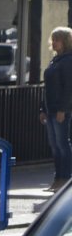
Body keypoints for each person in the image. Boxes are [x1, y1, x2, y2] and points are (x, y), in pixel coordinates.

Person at [40, 26, 72, 192]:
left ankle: (65, 179)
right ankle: (57, 178)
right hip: (50, 108)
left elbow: (69, 88)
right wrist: (42, 109)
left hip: (60, 110)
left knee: (62, 144)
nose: (54, 42)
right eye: (53, 39)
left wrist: (63, 109)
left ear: (65, 41)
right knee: (54, 145)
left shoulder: (68, 60)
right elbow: (46, 87)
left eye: (57, 39)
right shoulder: (55, 60)